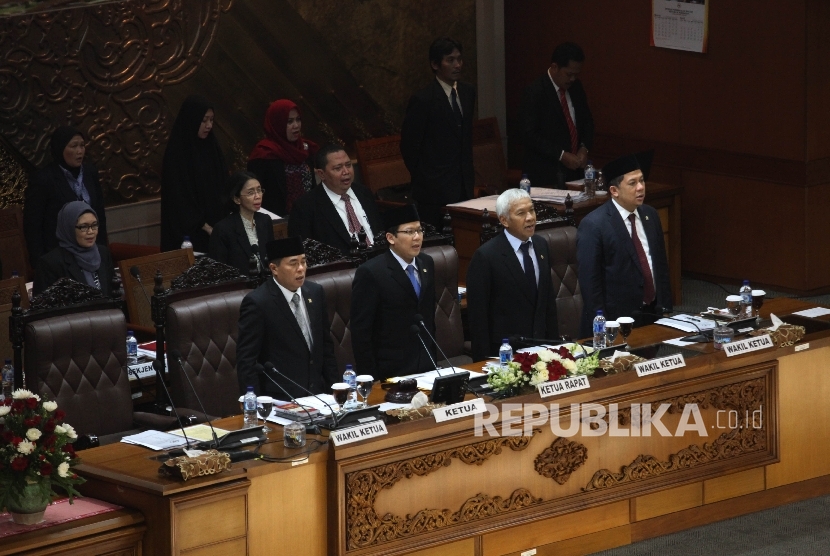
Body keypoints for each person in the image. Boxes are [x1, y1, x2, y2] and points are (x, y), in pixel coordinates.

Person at [576, 151, 672, 338]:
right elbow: (590, 283)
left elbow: (660, 265)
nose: (640, 188)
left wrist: (666, 308)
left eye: (642, 181)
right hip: (615, 321)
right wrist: (601, 325)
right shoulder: (594, 225)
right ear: (614, 191)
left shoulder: (650, 215)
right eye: (632, 183)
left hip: (652, 314)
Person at [235, 237, 338, 398]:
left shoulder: (316, 292)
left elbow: (325, 345)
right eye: (293, 263)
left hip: (319, 394)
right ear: (274, 268)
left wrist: (336, 389)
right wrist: (253, 405)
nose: (301, 268)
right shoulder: (258, 302)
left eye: (304, 261)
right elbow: (247, 361)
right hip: (281, 398)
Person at [466, 189, 559, 361]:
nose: (530, 217)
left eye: (531, 210)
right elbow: (478, 316)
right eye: (521, 213)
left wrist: (555, 347)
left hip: (542, 349)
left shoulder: (541, 246)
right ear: (504, 220)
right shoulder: (486, 256)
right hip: (506, 354)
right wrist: (482, 361)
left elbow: (547, 302)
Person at [350, 205, 436, 381]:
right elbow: (361, 333)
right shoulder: (372, 272)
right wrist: (370, 379)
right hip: (391, 371)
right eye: (409, 232)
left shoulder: (427, 263)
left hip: (427, 365)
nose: (417, 237)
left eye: (420, 230)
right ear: (391, 238)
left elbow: (428, 317)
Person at [400, 37, 476, 228]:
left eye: (459, 59)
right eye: (450, 60)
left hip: (463, 186)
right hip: (433, 192)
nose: (457, 65)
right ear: (435, 64)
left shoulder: (468, 92)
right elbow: (409, 146)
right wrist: (427, 179)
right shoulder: (423, 100)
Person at [24, 126, 108, 267]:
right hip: (59, 256)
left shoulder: (90, 172)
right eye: (74, 146)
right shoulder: (44, 179)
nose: (79, 151)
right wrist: (41, 263)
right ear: (60, 148)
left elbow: (99, 212)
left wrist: (102, 250)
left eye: (82, 145)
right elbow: (33, 225)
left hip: (91, 251)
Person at [520, 42, 594, 188]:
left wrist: (584, 148)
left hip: (575, 174)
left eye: (576, 74)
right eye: (569, 74)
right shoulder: (535, 92)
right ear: (555, 67)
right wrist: (561, 155)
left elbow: (587, 122)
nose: (572, 79)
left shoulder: (576, 88)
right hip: (546, 175)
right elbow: (528, 134)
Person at [160, 95, 228, 252]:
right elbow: (179, 198)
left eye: (211, 120)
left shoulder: (212, 148)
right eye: (204, 120)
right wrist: (204, 226)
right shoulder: (177, 154)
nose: (209, 125)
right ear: (193, 119)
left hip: (217, 228)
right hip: (189, 234)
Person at [287, 144, 383, 252]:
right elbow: (301, 251)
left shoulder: (364, 193)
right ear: (321, 174)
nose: (346, 172)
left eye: (348, 165)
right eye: (338, 168)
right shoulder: (305, 206)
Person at [247, 99, 318, 217]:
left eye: (298, 119)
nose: (296, 125)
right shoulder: (264, 154)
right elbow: (255, 197)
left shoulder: (304, 149)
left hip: (309, 216)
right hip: (278, 222)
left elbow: (313, 187)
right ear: (277, 124)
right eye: (289, 121)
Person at [33, 201, 114, 296]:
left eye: (94, 225)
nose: (91, 231)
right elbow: (43, 305)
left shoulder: (103, 253)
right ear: (69, 228)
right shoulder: (50, 264)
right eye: (84, 227)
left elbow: (113, 291)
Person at [209, 171, 274, 276]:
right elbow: (218, 270)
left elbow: (272, 257)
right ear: (237, 199)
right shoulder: (223, 229)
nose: (258, 196)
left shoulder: (265, 220)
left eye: (259, 190)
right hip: (239, 287)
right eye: (250, 192)